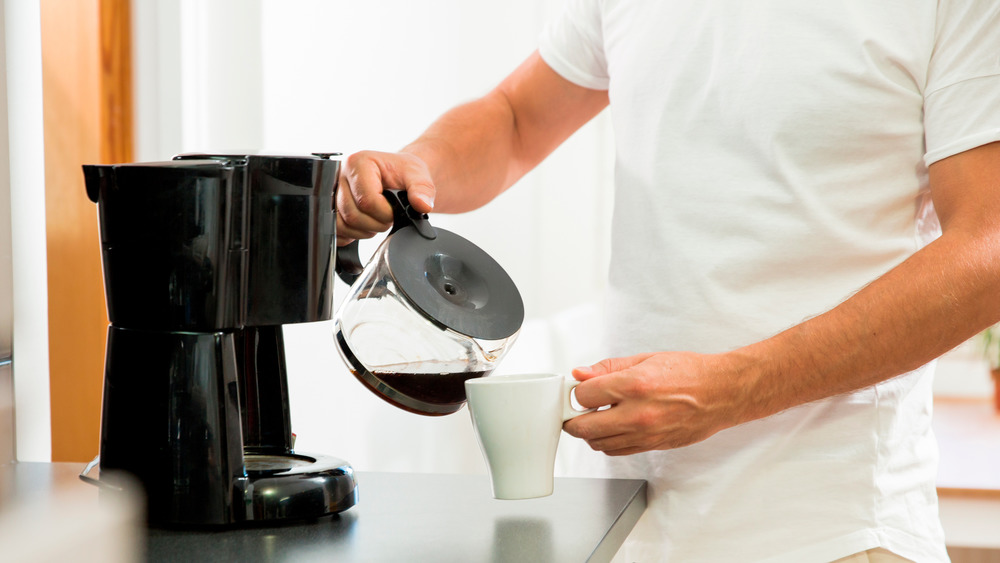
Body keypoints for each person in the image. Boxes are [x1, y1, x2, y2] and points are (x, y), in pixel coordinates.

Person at [336, 1, 1000, 561]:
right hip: (630, 525)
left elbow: (986, 249)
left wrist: (732, 387)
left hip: (836, 531)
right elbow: (516, 119)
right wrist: (416, 165)